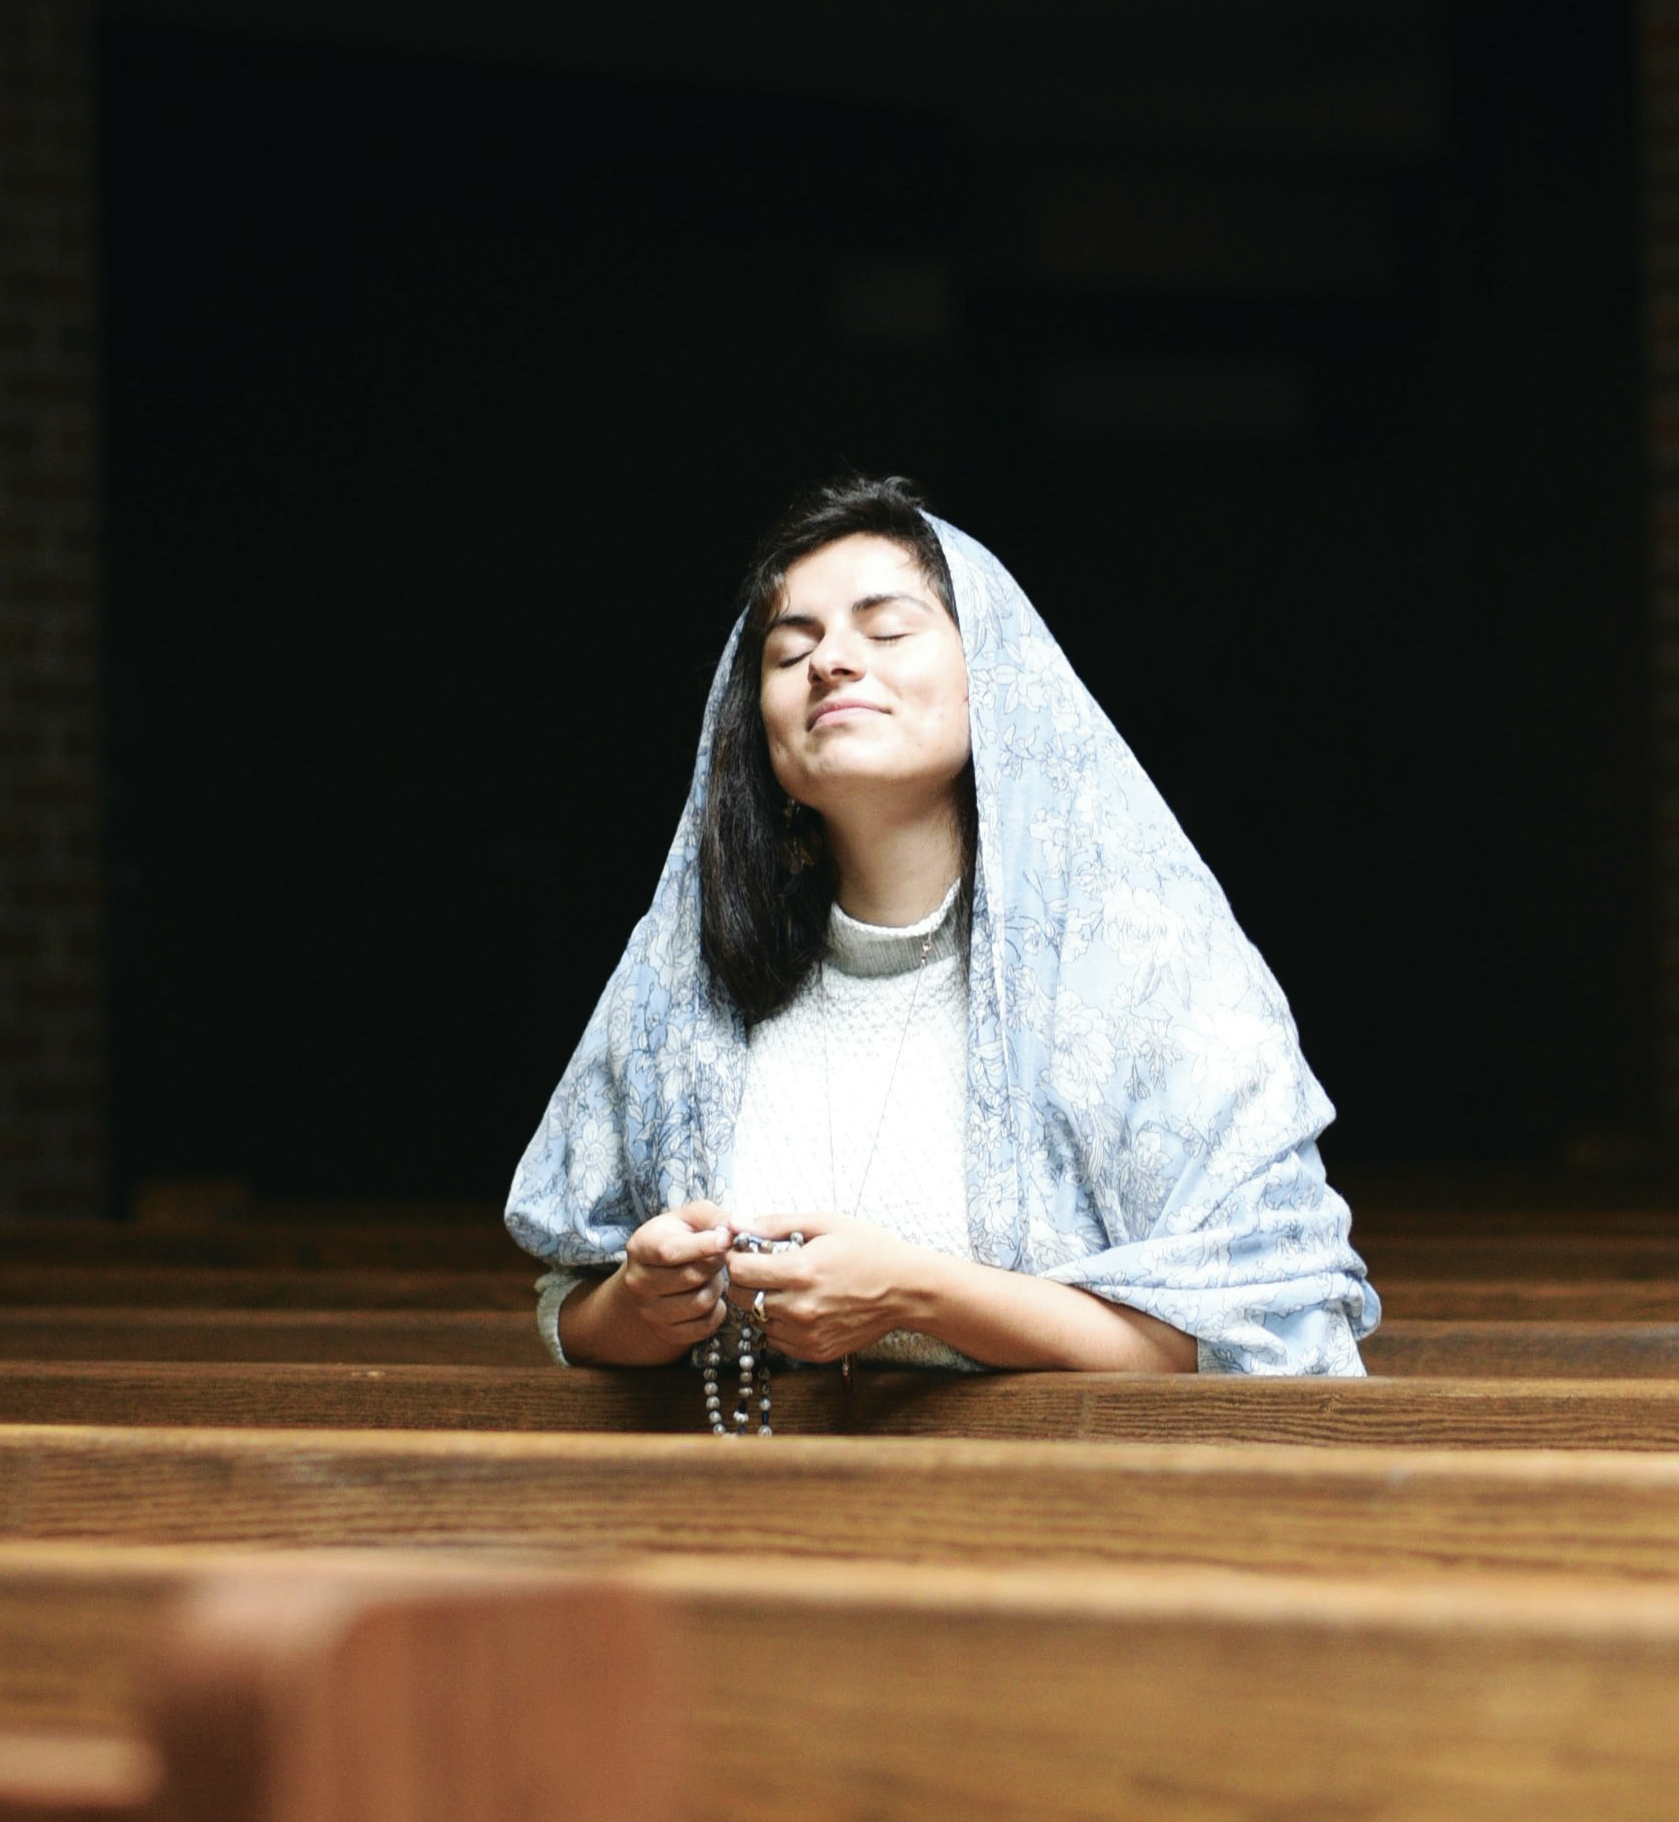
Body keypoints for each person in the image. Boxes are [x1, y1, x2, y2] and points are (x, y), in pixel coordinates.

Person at [508, 473, 1373, 1382]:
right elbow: (568, 1307)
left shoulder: (1149, 972)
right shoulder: (685, 983)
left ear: (995, 678)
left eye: (886, 630)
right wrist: (641, 1310)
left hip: (1057, 1519)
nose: (832, 661)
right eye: (789, 648)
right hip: (737, 1520)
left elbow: (1277, 1331)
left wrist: (922, 1295)